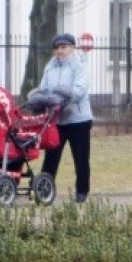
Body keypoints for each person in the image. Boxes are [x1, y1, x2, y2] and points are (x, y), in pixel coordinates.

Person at [35, 32, 92, 203]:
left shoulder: (79, 66)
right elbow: (44, 88)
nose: (60, 51)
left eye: (64, 47)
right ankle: (44, 190)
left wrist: (66, 97)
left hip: (78, 120)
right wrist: (38, 97)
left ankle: (82, 192)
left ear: (72, 48)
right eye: (57, 48)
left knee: (81, 158)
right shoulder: (50, 66)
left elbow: (79, 89)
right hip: (57, 120)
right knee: (51, 157)